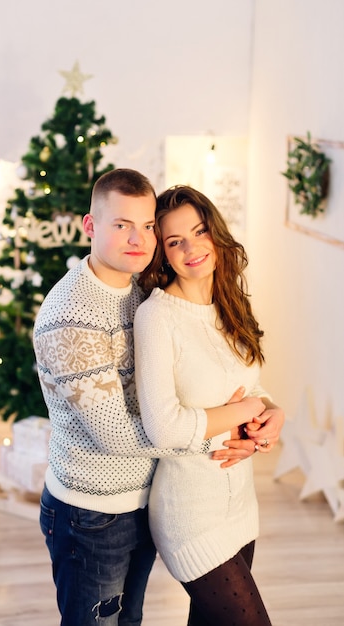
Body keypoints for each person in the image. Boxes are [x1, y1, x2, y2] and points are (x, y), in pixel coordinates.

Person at [33, 169, 280, 626]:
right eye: (122, 224)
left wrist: (264, 412)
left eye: (147, 226)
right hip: (92, 512)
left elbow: (222, 383)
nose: (138, 238)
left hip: (142, 499)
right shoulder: (71, 317)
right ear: (91, 226)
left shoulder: (135, 290)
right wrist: (227, 429)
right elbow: (118, 436)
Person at [134, 185, 285, 626]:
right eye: (175, 241)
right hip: (190, 513)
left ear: (215, 233)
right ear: (162, 253)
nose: (192, 248)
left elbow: (248, 388)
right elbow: (163, 429)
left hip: (240, 505)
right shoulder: (157, 317)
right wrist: (244, 412)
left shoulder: (229, 304)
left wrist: (271, 415)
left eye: (199, 232)